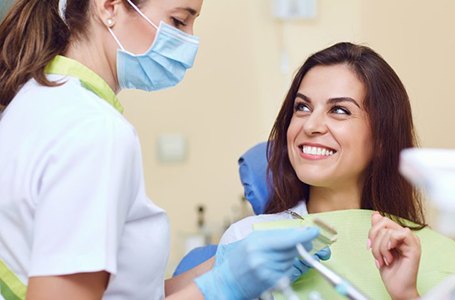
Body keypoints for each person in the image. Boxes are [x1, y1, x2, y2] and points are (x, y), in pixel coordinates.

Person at [0, 0, 330, 299]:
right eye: (178, 21)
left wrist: (219, 267)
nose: (190, 43)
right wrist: (223, 287)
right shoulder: (95, 132)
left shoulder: (37, 100)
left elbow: (123, 294)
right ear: (110, 8)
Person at [219, 42, 455, 299]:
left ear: (381, 139)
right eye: (302, 107)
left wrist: (405, 295)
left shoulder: (452, 261)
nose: (311, 125)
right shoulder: (247, 242)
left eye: (339, 111)